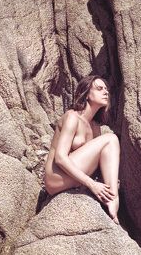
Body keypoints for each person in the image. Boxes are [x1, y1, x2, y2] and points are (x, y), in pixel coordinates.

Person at [43, 75, 121, 224]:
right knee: (111, 139)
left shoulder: (95, 127)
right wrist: (92, 184)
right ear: (86, 94)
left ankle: (110, 199)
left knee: (109, 141)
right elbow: (60, 157)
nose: (105, 92)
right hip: (55, 177)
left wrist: (108, 179)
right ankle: (113, 199)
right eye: (99, 88)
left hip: (73, 178)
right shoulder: (72, 117)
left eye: (106, 89)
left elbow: (94, 163)